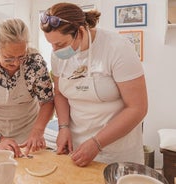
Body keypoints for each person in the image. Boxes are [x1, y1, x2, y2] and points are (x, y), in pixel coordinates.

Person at [40, 2, 148, 167]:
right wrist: (63, 127)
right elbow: (60, 93)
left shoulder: (117, 48)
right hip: (77, 147)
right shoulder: (58, 56)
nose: (54, 51)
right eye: (51, 44)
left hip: (117, 150)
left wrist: (97, 142)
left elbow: (137, 108)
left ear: (81, 31)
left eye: (60, 44)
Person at [0, 18, 54, 157]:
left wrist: (38, 131)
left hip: (30, 135)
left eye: (21, 56)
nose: (16, 63)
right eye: (8, 58)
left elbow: (47, 102)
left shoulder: (34, 62)